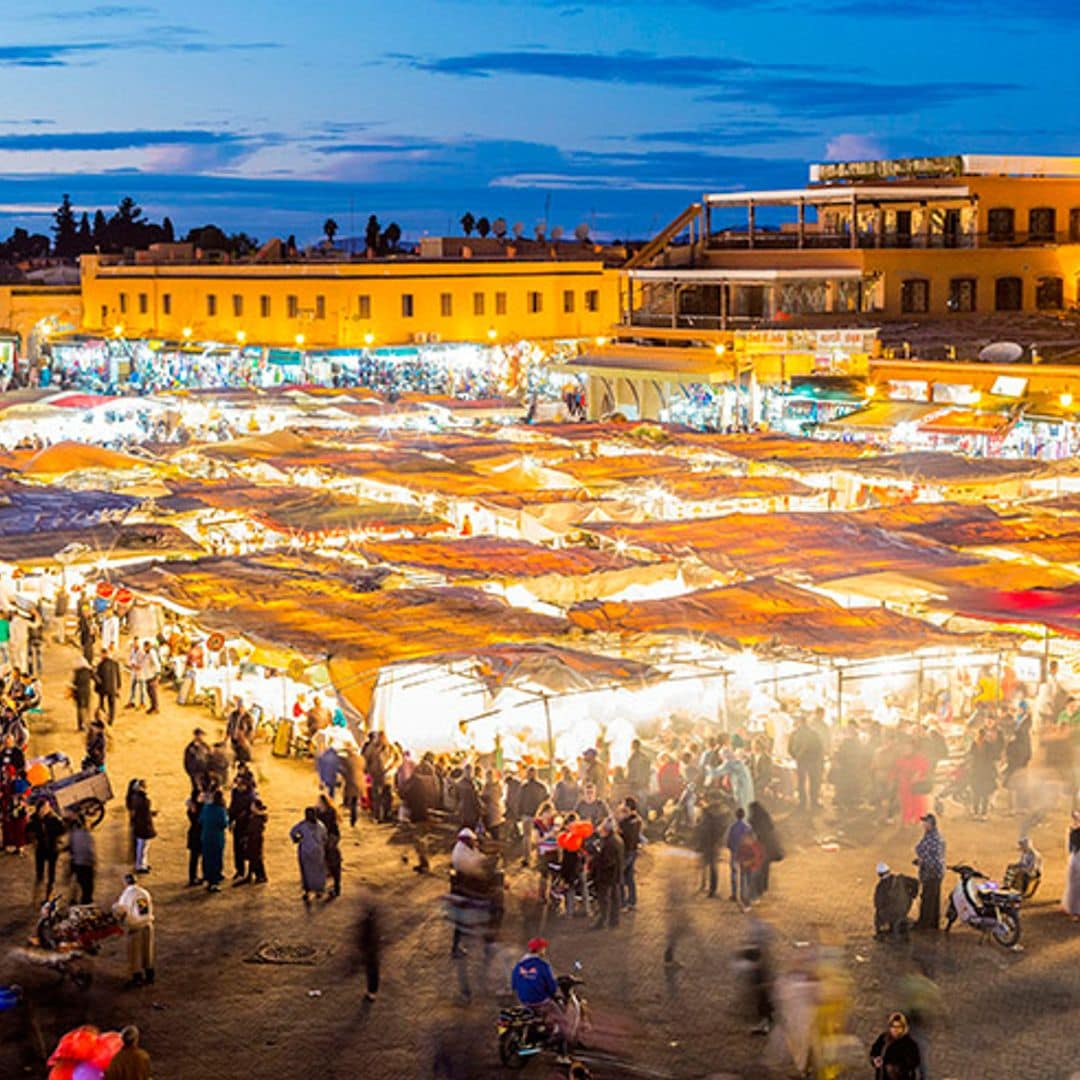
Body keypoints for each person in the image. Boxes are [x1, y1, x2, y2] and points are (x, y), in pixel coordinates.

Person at [511, 938, 572, 1065]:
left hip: (524, 1001)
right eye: (544, 948)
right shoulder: (543, 965)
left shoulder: (519, 965)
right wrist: (553, 994)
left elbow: (514, 984)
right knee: (564, 1025)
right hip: (540, 1002)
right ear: (540, 949)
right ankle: (561, 1055)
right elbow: (552, 987)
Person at [112, 873, 155, 988]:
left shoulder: (127, 894)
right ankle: (150, 975)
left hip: (135, 927)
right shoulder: (144, 892)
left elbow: (121, 911)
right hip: (148, 924)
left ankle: (137, 978)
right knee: (147, 951)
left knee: (134, 954)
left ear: (125, 882)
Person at [591, 817, 624, 929]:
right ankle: (614, 920)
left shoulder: (609, 843)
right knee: (614, 897)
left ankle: (602, 921)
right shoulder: (617, 839)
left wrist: (596, 859)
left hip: (607, 875)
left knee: (604, 899)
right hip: (615, 874)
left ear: (605, 830)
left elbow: (607, 861)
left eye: (600, 827)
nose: (598, 829)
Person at [914, 813, 945, 931]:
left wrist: (922, 862)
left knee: (927, 898)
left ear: (930, 824)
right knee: (934, 898)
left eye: (925, 822)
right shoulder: (934, 836)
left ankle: (924, 924)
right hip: (936, 872)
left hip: (931, 873)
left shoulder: (933, 839)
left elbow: (932, 857)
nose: (923, 824)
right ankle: (933, 923)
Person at [290, 806, 328, 902]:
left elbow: (293, 832)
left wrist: (297, 839)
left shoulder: (305, 825)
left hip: (310, 852)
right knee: (313, 872)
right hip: (312, 852)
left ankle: (312, 891)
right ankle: (312, 891)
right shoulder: (319, 825)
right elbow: (325, 838)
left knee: (311, 872)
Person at [28, 801, 64, 901]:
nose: (43, 811)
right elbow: (28, 831)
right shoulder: (34, 819)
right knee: (39, 873)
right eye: (42, 809)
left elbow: (62, 830)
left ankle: (49, 896)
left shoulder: (54, 819)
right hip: (40, 850)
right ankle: (37, 897)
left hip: (52, 850)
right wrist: (33, 840)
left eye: (46, 808)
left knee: (51, 874)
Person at [869, 1012, 921, 1080]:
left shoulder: (909, 1044)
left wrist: (894, 1068)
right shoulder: (883, 1038)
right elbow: (874, 1051)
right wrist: (875, 1059)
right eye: (893, 1026)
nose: (895, 1029)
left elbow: (913, 1063)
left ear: (903, 1027)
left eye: (898, 1026)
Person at [873, 862, 919, 939]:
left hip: (891, 911)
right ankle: (898, 921)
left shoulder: (881, 886)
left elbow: (878, 904)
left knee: (878, 912)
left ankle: (880, 931)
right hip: (905, 908)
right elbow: (916, 882)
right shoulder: (901, 878)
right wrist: (913, 895)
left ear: (879, 874)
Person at [788, 715, 824, 811]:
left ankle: (802, 802)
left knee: (801, 782)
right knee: (814, 782)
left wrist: (795, 756)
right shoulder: (813, 733)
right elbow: (820, 748)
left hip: (801, 761)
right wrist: (819, 759)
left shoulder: (795, 734)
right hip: (813, 761)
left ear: (799, 722)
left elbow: (790, 748)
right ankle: (814, 802)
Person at [747, 801, 782, 897]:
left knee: (758, 867)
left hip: (759, 846)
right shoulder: (766, 817)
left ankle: (758, 888)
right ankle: (764, 886)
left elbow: (751, 832)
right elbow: (771, 827)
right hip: (768, 845)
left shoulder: (752, 819)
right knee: (765, 867)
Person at [518, 766, 548, 867]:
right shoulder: (542, 786)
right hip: (538, 815)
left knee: (527, 837)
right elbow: (546, 800)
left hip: (527, 814)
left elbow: (519, 801)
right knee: (539, 837)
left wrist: (519, 813)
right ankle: (539, 858)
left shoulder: (524, 787)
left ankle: (527, 858)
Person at [200, 789, 228, 893]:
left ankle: (207, 877)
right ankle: (215, 881)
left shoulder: (206, 808)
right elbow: (224, 824)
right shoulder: (221, 810)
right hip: (217, 838)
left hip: (206, 837)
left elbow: (201, 820)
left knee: (207, 858)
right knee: (216, 858)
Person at [618, 797, 644, 910]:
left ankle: (622, 903)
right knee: (629, 877)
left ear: (628, 807)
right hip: (633, 851)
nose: (621, 807)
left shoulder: (626, 821)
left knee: (620, 877)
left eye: (623, 804)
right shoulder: (638, 820)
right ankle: (632, 902)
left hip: (626, 852)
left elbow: (621, 833)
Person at [725, 806, 754, 907]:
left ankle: (734, 894)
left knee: (733, 872)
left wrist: (731, 848)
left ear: (736, 815)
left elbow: (728, 841)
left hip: (734, 852)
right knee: (743, 874)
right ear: (744, 815)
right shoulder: (748, 827)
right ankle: (742, 895)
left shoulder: (732, 827)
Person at [128, 780, 156, 874]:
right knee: (143, 847)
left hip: (141, 825)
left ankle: (143, 864)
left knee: (143, 847)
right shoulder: (142, 798)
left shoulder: (136, 798)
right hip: (143, 826)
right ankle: (140, 865)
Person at [68, 814, 96, 904]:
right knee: (87, 888)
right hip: (86, 864)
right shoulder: (87, 835)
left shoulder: (74, 834)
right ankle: (85, 903)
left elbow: (71, 848)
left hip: (76, 862)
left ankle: (73, 900)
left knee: (77, 882)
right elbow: (90, 851)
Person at [95, 647, 121, 726]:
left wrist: (96, 688)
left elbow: (98, 678)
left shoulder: (100, 665)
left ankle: (102, 719)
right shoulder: (115, 663)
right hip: (112, 688)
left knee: (101, 704)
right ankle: (111, 720)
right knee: (112, 705)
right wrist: (118, 686)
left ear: (103, 654)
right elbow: (118, 676)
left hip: (103, 688)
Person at [245, 798, 269, 884]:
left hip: (255, 840)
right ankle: (253, 875)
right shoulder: (255, 816)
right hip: (253, 839)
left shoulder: (257, 818)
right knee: (254, 858)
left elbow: (254, 830)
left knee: (256, 858)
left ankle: (261, 876)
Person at [183, 728, 210, 795]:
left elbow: (210, 757)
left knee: (206, 790)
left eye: (202, 735)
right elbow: (187, 762)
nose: (201, 737)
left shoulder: (205, 746)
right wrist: (191, 773)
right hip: (195, 773)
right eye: (200, 735)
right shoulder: (190, 748)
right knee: (197, 791)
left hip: (205, 773)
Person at [1064, 810, 1080, 920]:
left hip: (1076, 856)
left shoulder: (1073, 831)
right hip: (1076, 856)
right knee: (1074, 884)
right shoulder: (1073, 831)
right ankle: (1075, 909)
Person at [71, 656, 95, 732]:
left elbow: (74, 682)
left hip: (78, 692)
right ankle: (88, 723)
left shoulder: (76, 672)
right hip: (87, 692)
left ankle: (80, 725)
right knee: (88, 708)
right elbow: (96, 679)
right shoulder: (89, 671)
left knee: (79, 709)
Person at [184, 796, 203, 888]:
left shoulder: (191, 811)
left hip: (193, 835)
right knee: (198, 857)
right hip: (198, 836)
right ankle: (196, 877)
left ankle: (193, 877)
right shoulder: (200, 810)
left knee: (194, 858)